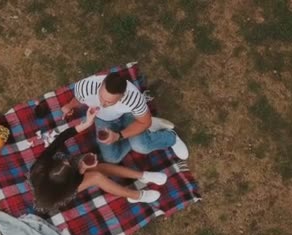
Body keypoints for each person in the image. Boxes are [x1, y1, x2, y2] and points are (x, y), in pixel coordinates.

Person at [29, 106, 168, 212]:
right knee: (96, 176)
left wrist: (86, 124)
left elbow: (61, 138)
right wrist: (83, 169)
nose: (69, 161)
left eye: (65, 162)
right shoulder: (66, 190)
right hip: (60, 191)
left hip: (56, 177)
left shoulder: (40, 166)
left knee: (96, 166)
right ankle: (135, 196)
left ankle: (142, 176)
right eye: (68, 164)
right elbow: (77, 177)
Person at [60, 72, 189, 164]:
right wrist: (69, 106)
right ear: (101, 85)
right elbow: (78, 99)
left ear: (122, 96)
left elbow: (145, 122)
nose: (102, 104)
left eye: (109, 102)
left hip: (129, 116)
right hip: (103, 120)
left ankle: (170, 137)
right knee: (112, 158)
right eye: (101, 97)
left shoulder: (133, 98)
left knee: (141, 147)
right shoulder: (85, 87)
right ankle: (140, 134)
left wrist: (119, 136)